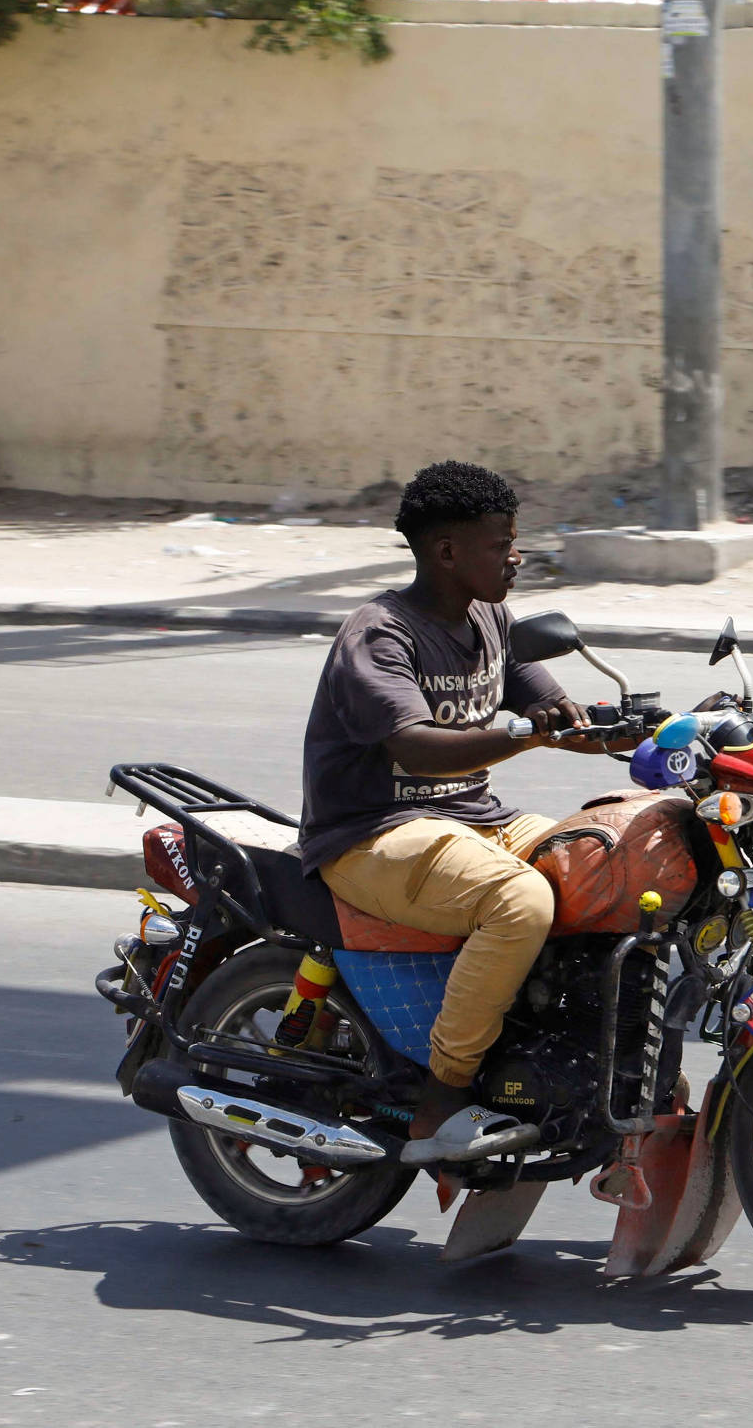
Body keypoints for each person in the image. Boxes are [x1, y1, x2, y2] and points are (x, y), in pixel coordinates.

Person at [299, 462, 616, 1163]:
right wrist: (524, 732)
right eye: (501, 542)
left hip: (472, 817)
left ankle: (559, 1060)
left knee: (604, 863)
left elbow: (559, 717)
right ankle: (445, 1091)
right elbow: (416, 747)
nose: (516, 555)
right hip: (372, 833)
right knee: (520, 899)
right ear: (446, 552)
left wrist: (665, 728)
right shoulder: (380, 634)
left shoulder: (492, 618)